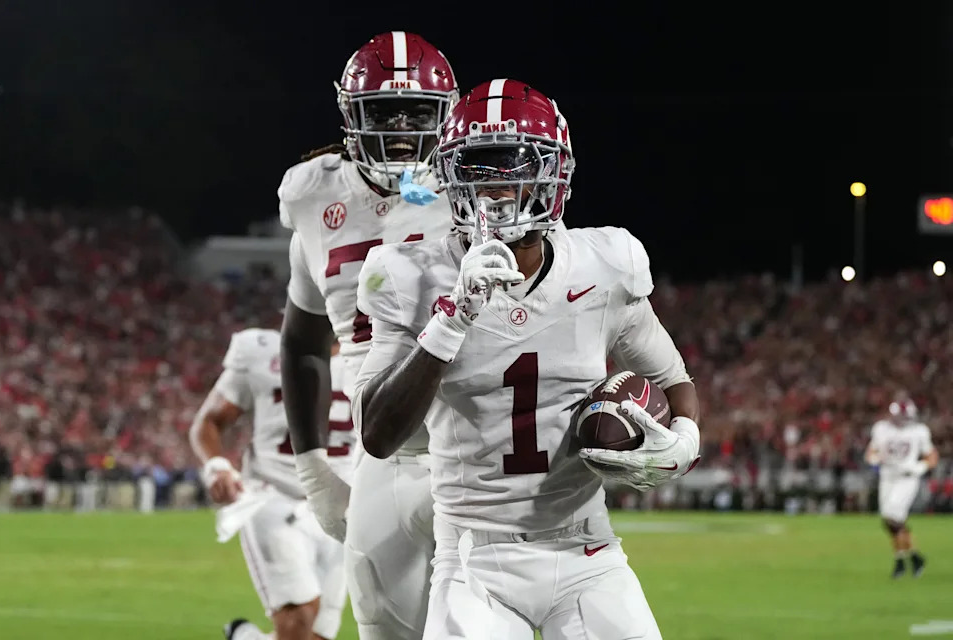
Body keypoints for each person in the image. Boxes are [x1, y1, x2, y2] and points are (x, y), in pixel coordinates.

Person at [352, 79, 701, 639]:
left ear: (555, 174)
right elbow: (377, 432)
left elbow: (675, 381)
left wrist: (684, 440)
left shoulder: (603, 268)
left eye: (515, 164)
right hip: (474, 560)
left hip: (588, 550)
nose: (496, 187)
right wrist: (453, 316)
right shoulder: (410, 275)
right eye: (479, 167)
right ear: (450, 175)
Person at [279, 32, 459, 640]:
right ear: (351, 113)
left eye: (418, 111)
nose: (402, 127)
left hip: (470, 442)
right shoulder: (312, 194)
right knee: (383, 628)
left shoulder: (479, 190)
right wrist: (313, 469)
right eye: (383, 110)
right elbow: (303, 340)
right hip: (378, 449)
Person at [190, 331, 354, 640]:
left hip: (342, 507)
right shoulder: (263, 351)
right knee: (299, 617)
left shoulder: (371, 351)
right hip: (275, 497)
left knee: (319, 633)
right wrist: (217, 466)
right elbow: (209, 421)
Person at [864, 394, 938, 578]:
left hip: (906, 478)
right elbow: (871, 452)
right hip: (887, 477)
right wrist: (874, 459)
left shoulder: (919, 431)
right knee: (891, 522)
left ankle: (902, 561)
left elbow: (932, 456)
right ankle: (912, 557)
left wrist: (919, 467)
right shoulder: (881, 429)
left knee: (892, 517)